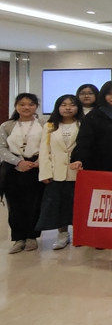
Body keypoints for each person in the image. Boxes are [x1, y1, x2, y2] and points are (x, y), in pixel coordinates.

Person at [1, 93, 45, 254]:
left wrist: (38, 161)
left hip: (36, 168)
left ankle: (32, 237)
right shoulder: (7, 126)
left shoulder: (44, 124)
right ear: (16, 106)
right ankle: (19, 238)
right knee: (15, 206)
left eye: (31, 104)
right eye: (22, 104)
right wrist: (19, 162)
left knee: (34, 204)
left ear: (36, 107)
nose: (26, 107)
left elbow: (48, 145)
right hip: (13, 170)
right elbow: (2, 148)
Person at [37, 94, 82, 250]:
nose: (68, 108)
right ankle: (63, 234)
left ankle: (80, 234)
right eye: (64, 105)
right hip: (56, 172)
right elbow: (44, 150)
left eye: (72, 105)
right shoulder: (49, 126)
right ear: (57, 107)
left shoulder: (83, 124)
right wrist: (45, 173)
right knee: (58, 206)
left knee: (78, 205)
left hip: (78, 173)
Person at [71, 81, 112, 174]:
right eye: (110, 94)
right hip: (97, 163)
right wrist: (78, 158)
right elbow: (84, 141)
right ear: (103, 95)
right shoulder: (92, 116)